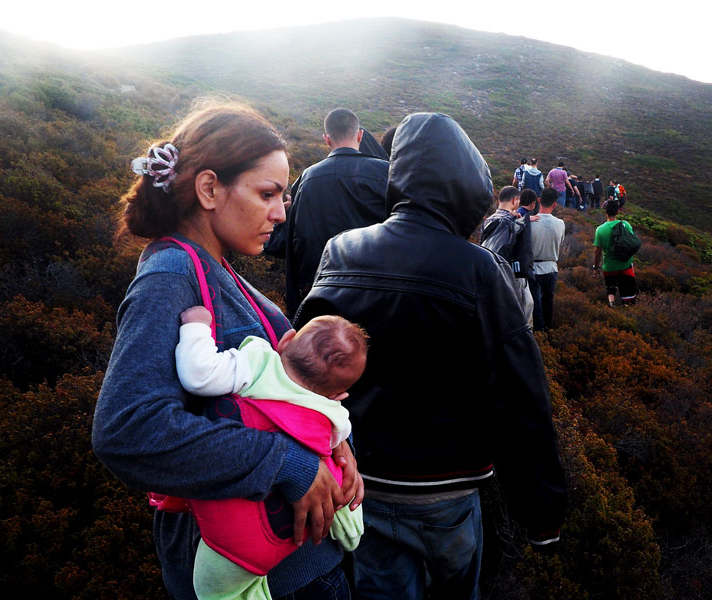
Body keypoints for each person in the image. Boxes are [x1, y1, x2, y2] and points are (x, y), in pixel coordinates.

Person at [92, 102, 361, 600]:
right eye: (267, 194)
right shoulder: (170, 277)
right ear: (209, 189)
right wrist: (289, 464)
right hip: (259, 577)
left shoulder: (216, 267)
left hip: (295, 563)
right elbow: (127, 430)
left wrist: (336, 445)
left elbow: (282, 386)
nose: (280, 213)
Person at [295, 112, 568, 600]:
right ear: (466, 186)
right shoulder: (478, 268)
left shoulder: (340, 250)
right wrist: (542, 514)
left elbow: (300, 367)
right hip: (447, 488)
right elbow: (522, 394)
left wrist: (301, 464)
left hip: (359, 481)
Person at [176, 307, 368, 600]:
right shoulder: (331, 409)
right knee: (339, 477)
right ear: (338, 395)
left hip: (238, 539)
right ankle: (352, 531)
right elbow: (339, 448)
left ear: (285, 340)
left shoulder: (256, 362)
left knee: (218, 590)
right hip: (305, 545)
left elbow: (199, 374)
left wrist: (196, 327)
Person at [264, 108, 389, 317]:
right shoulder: (384, 173)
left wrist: (282, 218)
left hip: (320, 292)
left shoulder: (307, 179)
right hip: (375, 290)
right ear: (359, 135)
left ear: (326, 139)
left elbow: (291, 240)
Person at [480, 186, 534, 327]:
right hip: (512, 277)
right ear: (515, 200)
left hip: (488, 275)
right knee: (521, 318)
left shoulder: (488, 220)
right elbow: (521, 251)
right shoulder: (513, 222)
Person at [529, 187, 565, 330]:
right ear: (554, 204)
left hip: (533, 268)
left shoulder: (530, 222)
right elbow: (560, 243)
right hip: (551, 267)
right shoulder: (560, 223)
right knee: (548, 302)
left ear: (539, 200)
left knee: (535, 304)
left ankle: (537, 333)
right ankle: (547, 331)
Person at [593, 200, 638, 307]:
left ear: (606, 212)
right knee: (628, 294)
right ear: (617, 212)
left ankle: (611, 304)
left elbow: (597, 252)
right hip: (626, 264)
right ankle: (628, 310)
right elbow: (631, 242)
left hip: (609, 266)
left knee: (610, 288)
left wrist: (596, 267)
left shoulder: (600, 230)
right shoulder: (626, 225)